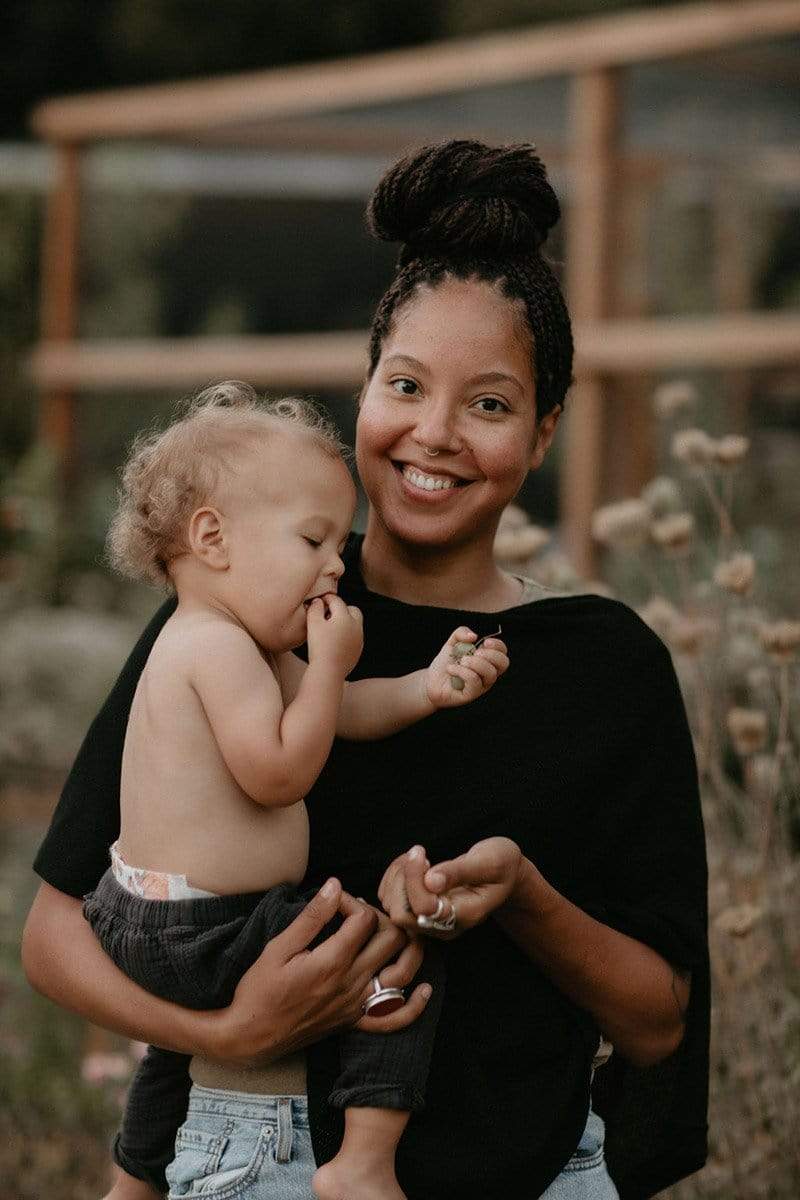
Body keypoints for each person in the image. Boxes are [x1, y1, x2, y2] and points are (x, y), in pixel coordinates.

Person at [23, 139, 709, 1200]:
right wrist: (228, 1026)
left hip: (528, 1171)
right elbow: (59, 930)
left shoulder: (604, 668)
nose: (432, 435)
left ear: (542, 433)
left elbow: (660, 1021)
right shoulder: (247, 613)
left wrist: (520, 892)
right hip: (259, 1158)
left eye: (487, 404)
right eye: (405, 385)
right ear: (365, 390)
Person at [81, 382, 509, 1200]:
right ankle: (364, 1161)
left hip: (156, 917)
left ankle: (132, 1181)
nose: (335, 565)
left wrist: (425, 686)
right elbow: (280, 771)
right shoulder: (212, 649)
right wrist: (335, 666)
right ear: (212, 537)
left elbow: (337, 712)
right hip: (200, 925)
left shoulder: (239, 640)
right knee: (392, 951)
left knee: (178, 1055)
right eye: (313, 540)